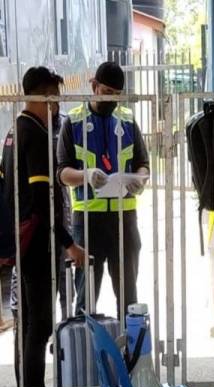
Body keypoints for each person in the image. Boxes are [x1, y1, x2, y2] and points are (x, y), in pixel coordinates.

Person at [1, 67, 84, 387]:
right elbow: (42, 198)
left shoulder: (12, 131)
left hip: (24, 240)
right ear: (40, 95)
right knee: (39, 326)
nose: (57, 106)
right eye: (54, 97)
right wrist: (68, 243)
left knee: (31, 323)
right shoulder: (32, 133)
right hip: (37, 244)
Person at [58, 62, 149, 316]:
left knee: (129, 298)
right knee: (86, 297)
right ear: (94, 86)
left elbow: (143, 163)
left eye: (117, 95)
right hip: (88, 222)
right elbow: (62, 172)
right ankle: (85, 349)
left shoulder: (128, 121)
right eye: (107, 92)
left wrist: (139, 179)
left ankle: (129, 353)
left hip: (124, 220)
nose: (112, 99)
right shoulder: (73, 123)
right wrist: (86, 175)